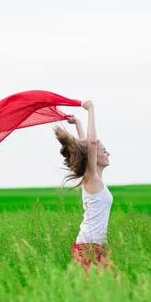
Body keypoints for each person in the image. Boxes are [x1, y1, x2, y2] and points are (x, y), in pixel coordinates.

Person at [54, 100, 116, 275]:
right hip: (89, 247)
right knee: (114, 285)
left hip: (95, 246)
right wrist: (90, 110)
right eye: (104, 151)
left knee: (106, 288)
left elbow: (85, 147)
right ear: (94, 156)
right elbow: (91, 145)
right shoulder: (91, 180)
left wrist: (79, 124)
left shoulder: (95, 179)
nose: (108, 153)